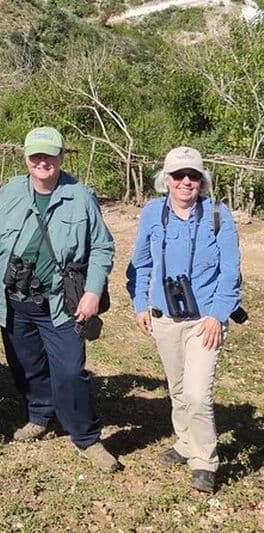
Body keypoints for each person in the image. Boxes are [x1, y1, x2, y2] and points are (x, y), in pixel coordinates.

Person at [0, 126, 120, 472]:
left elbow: (102, 247)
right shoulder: (8, 193)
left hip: (61, 302)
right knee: (26, 365)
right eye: (35, 155)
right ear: (26, 158)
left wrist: (93, 292)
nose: (42, 162)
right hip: (14, 299)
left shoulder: (80, 196)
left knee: (70, 371)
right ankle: (39, 414)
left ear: (61, 157)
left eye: (49, 155)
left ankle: (86, 438)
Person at [126, 147, 241, 494]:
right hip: (165, 318)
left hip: (204, 320)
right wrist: (140, 304)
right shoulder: (152, 212)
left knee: (197, 393)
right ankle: (186, 441)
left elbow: (231, 272)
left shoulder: (218, 215)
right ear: (167, 179)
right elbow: (140, 263)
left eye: (193, 175)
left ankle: (204, 461)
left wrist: (217, 315)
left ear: (202, 180)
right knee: (177, 388)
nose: (186, 182)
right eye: (178, 175)